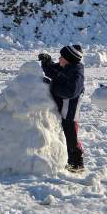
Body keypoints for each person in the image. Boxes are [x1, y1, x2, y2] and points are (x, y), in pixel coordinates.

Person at [38, 45, 85, 173]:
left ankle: (77, 162)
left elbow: (71, 92)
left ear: (69, 59)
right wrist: (46, 61)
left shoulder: (76, 73)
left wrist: (53, 86)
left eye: (62, 57)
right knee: (63, 132)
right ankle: (66, 158)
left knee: (71, 134)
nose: (59, 59)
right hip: (62, 106)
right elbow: (52, 71)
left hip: (70, 109)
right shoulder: (65, 67)